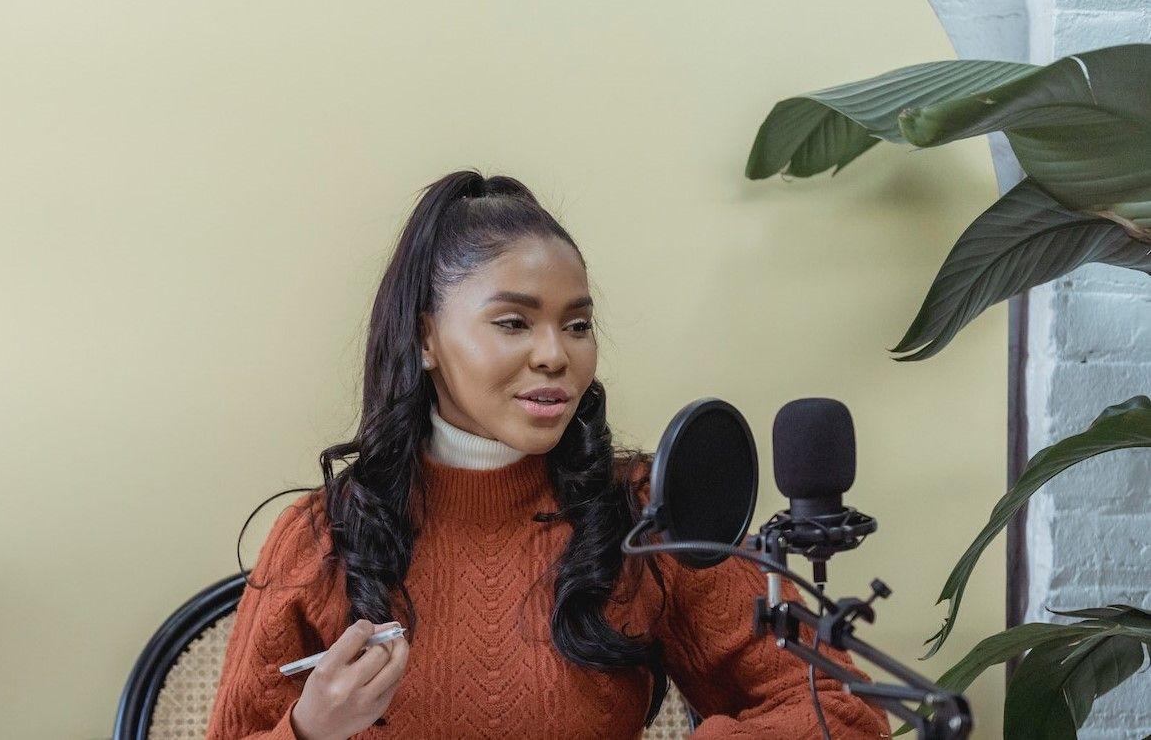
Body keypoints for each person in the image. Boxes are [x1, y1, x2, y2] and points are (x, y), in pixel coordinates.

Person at [205, 170, 891, 739]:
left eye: (578, 324)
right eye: (512, 322)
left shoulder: (649, 513)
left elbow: (844, 712)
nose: (555, 354)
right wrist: (305, 729)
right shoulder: (320, 537)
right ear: (424, 340)